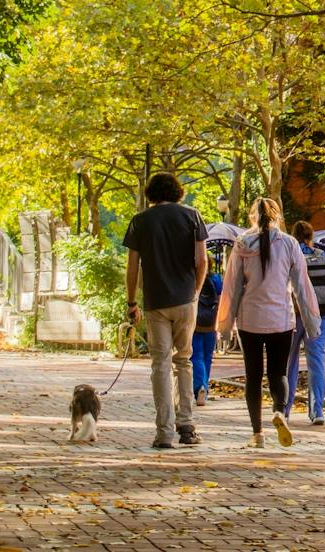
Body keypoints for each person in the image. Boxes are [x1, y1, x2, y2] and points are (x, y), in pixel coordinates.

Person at [218, 198, 320, 448]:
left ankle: (257, 435)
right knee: (278, 373)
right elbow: (302, 287)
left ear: (253, 216)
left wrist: (224, 326)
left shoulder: (242, 243)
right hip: (281, 320)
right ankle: (278, 411)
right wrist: (312, 323)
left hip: (249, 320)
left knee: (253, 377)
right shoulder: (289, 243)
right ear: (277, 217)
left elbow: (231, 288)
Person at [122, 172, 207, 450]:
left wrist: (131, 302)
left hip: (156, 302)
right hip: (185, 300)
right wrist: (194, 292)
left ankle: (164, 432)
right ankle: (187, 425)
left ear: (150, 193)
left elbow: (132, 267)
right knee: (184, 361)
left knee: (160, 364)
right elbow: (201, 260)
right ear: (178, 192)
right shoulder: (192, 216)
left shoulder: (140, 221)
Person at [285, 221, 325, 427]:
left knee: (290, 362)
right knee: (317, 363)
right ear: (310, 236)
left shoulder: (290, 254)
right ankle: (317, 411)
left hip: (294, 315)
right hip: (320, 315)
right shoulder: (324, 256)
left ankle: (285, 409)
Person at [191, 254, 223, 408]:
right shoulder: (216, 279)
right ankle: (204, 387)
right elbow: (222, 301)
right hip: (211, 324)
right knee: (207, 357)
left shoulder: (193, 277)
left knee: (196, 356)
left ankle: (199, 387)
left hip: (195, 324)